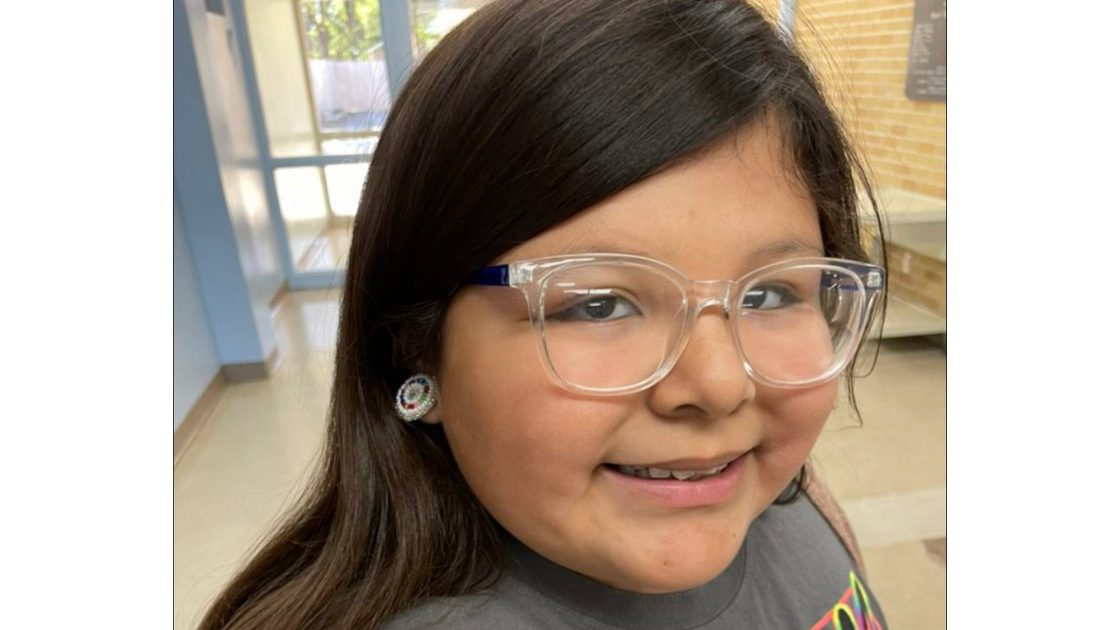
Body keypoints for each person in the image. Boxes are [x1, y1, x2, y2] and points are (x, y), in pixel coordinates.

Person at [199, 0, 890, 628]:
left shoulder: (798, 505)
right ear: (419, 342)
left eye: (770, 294)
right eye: (598, 304)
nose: (717, 386)